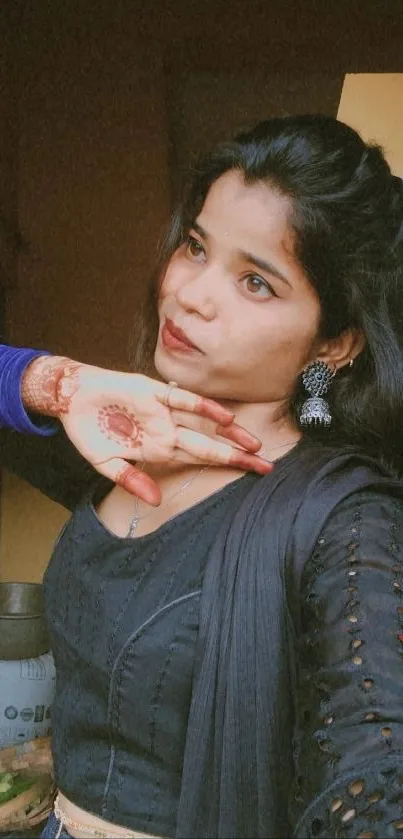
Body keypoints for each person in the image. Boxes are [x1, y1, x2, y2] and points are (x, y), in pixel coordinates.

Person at [1, 113, 403, 839]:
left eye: (255, 280)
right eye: (195, 246)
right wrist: (49, 384)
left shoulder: (344, 522)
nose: (189, 293)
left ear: (334, 342)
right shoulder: (123, 437)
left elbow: (375, 769)